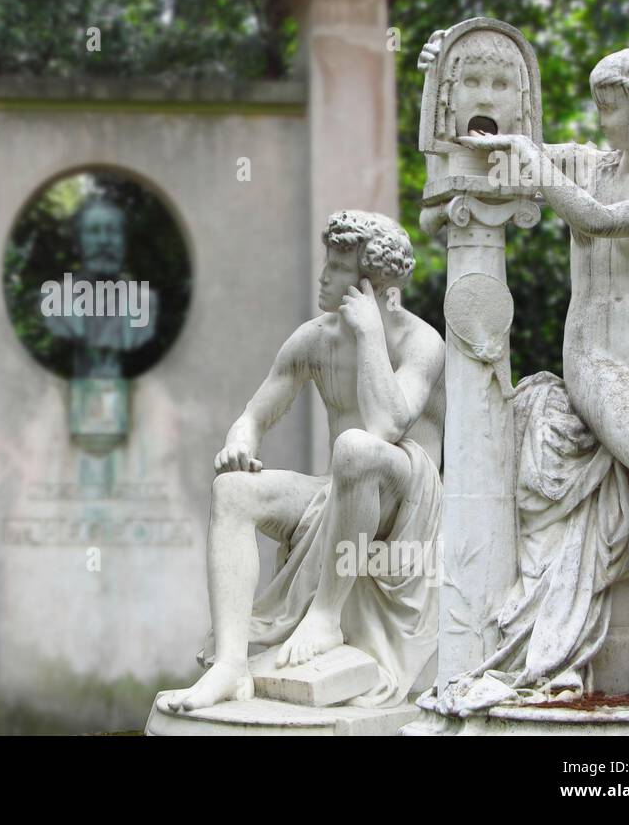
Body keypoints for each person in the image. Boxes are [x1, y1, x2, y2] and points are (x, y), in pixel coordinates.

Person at [462, 44, 629, 707]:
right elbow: (517, 166)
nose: (599, 113)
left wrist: (535, 160)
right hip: (598, 354)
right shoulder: (587, 163)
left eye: (610, 102)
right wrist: (511, 144)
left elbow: (597, 219)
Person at [164, 211, 445, 712]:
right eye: (328, 263)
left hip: (407, 506)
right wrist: (240, 444)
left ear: (370, 284)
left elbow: (387, 425)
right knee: (231, 491)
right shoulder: (314, 339)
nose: (323, 276)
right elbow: (254, 414)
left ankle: (326, 617)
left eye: (337, 268)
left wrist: (370, 336)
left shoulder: (421, 343)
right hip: (343, 487)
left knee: (357, 446)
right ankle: (230, 666)